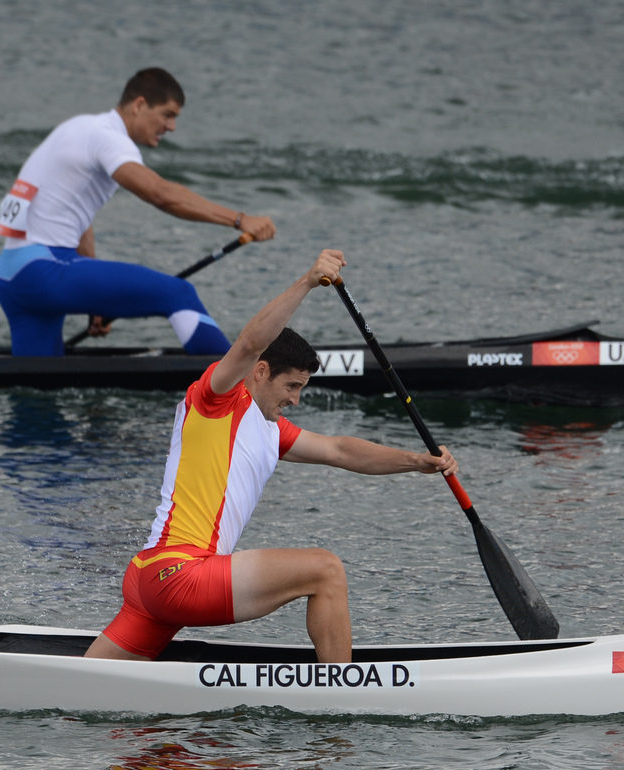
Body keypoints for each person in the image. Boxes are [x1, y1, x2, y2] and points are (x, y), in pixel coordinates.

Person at [84, 249, 459, 665]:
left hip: (149, 577)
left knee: (82, 691)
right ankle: (341, 696)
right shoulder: (216, 400)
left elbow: (339, 450)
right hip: (182, 574)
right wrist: (306, 282)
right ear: (261, 371)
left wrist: (415, 460)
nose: (296, 400)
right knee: (326, 570)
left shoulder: (267, 428)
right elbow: (249, 342)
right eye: (292, 386)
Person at [0, 67, 275, 356]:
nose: (172, 127)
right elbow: (160, 194)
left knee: (39, 390)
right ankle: (236, 387)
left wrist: (95, 303)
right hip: (45, 271)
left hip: (12, 277)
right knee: (177, 293)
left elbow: (79, 219)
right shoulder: (108, 138)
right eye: (168, 114)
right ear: (139, 105)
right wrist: (240, 220)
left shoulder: (77, 127)